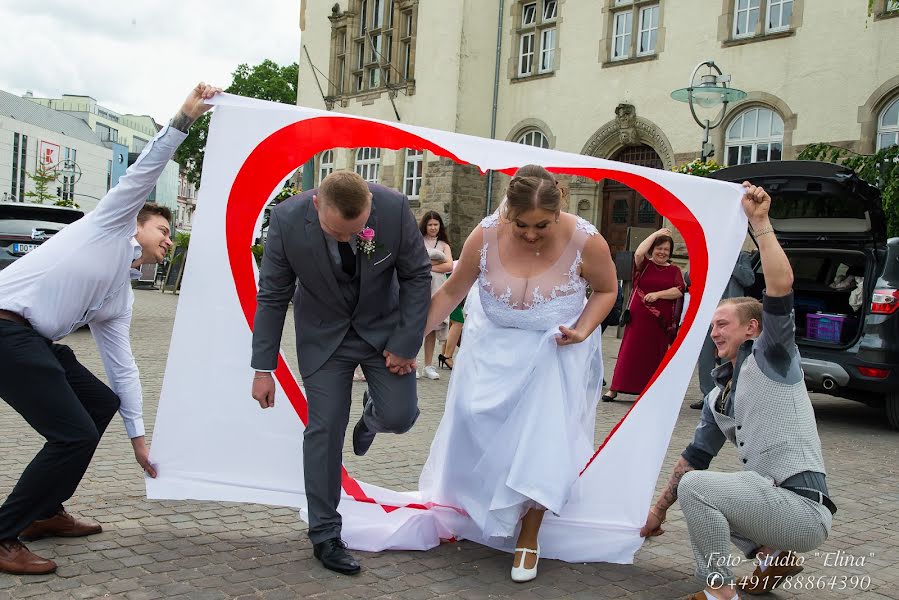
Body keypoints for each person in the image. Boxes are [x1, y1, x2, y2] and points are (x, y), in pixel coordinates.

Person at [0, 82, 221, 575]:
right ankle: (4, 532)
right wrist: (184, 117)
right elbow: (146, 170)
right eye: (163, 230)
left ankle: (45, 513)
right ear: (137, 225)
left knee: (101, 402)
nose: (168, 238)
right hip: (4, 329)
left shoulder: (117, 298)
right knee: (73, 433)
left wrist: (139, 440)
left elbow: (124, 367)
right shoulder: (110, 223)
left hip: (29, 339)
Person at [419, 166, 618, 582]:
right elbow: (453, 290)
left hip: (553, 354)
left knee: (541, 441)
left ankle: (530, 532)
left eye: (541, 225)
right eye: (521, 224)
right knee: (475, 425)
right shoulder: (485, 234)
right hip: (491, 353)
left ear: (559, 205)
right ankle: (481, 509)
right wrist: (409, 339)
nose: (530, 234)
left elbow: (607, 289)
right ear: (507, 211)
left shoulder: (587, 240)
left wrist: (583, 329)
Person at [639, 182, 836, 600]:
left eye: (722, 323)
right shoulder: (716, 396)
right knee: (696, 485)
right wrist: (657, 511)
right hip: (772, 509)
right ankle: (770, 556)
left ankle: (718, 591)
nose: (714, 332)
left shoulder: (772, 357)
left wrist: (760, 223)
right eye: (711, 326)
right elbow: (693, 459)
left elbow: (781, 287)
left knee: (699, 491)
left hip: (803, 509)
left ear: (752, 329)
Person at [250, 170, 431, 575]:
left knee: (400, 416)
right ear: (317, 205)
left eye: (357, 230)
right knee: (324, 429)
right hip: (324, 338)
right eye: (338, 233)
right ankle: (325, 533)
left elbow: (416, 276)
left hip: (383, 331)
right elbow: (274, 294)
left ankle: (372, 415)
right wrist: (264, 368)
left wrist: (406, 343)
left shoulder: (394, 207)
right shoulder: (286, 220)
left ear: (369, 203)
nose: (348, 239)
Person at [602, 228, 685, 401]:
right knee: (629, 352)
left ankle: (650, 390)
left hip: (659, 321)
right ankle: (615, 388)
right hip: (639, 317)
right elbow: (639, 252)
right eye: (659, 248)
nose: (662, 252)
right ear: (652, 249)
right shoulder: (644, 265)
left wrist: (658, 295)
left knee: (654, 355)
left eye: (666, 250)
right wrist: (656, 234)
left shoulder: (675, 270)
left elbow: (679, 291)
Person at [689, 251, 755, 409]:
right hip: (706, 315)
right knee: (705, 358)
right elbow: (688, 278)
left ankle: (729, 396)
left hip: (730, 317)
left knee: (729, 356)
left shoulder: (741, 256)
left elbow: (749, 279)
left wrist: (729, 262)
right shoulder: (708, 252)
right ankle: (708, 397)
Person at [418, 211, 453, 379]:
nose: (433, 227)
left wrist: (428, 266)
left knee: (432, 326)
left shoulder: (444, 245)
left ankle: (428, 365)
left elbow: (449, 266)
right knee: (417, 325)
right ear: (425, 225)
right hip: (420, 287)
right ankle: (412, 363)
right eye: (430, 224)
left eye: (436, 224)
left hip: (437, 287)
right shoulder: (418, 241)